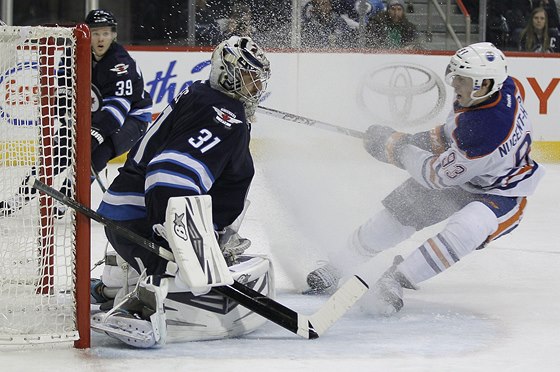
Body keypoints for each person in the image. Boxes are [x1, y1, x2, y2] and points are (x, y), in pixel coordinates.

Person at [305, 42, 544, 316]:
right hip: (470, 171)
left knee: (468, 228)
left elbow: (435, 177)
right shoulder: (500, 88)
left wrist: (394, 149)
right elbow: (450, 134)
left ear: (483, 83)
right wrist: (408, 139)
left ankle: (396, 279)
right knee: (399, 213)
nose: (455, 84)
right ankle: (341, 263)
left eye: (462, 80)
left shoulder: (487, 128)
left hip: (501, 191)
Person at [91, 35, 272, 348]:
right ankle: (145, 305)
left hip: (121, 211)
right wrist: (181, 233)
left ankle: (113, 282)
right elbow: (169, 171)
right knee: (236, 178)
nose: (254, 89)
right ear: (228, 74)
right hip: (145, 215)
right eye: (248, 79)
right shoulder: (226, 115)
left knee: (236, 172)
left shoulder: (202, 92)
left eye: (257, 82)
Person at [0, 9, 153, 217]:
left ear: (114, 35)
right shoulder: (73, 54)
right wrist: (65, 118)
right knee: (57, 152)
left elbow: (118, 108)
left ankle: (67, 196)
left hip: (131, 118)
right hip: (93, 113)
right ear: (87, 33)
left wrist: (95, 134)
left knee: (99, 151)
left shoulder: (120, 64)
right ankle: (20, 197)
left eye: (106, 33)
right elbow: (64, 90)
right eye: (96, 32)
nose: (101, 38)